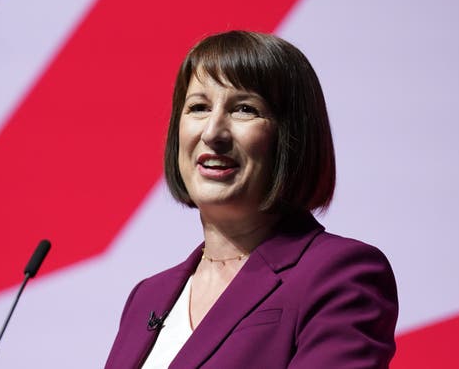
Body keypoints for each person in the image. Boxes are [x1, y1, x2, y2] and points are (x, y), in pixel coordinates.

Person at [105, 31, 398, 368]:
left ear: (292, 137)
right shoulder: (147, 297)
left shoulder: (340, 274)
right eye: (198, 107)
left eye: (244, 109)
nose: (213, 132)